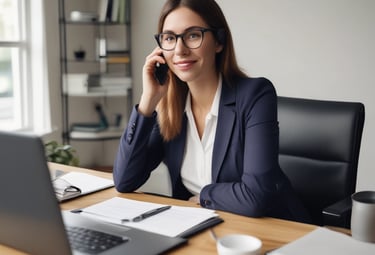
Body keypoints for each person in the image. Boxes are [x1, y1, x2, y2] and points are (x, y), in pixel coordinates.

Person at [113, 0, 311, 224]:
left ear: (219, 41)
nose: (179, 49)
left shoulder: (255, 94)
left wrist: (204, 196)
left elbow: (256, 196)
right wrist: (147, 102)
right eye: (169, 38)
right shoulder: (171, 107)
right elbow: (124, 180)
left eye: (193, 35)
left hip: (272, 228)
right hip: (203, 228)